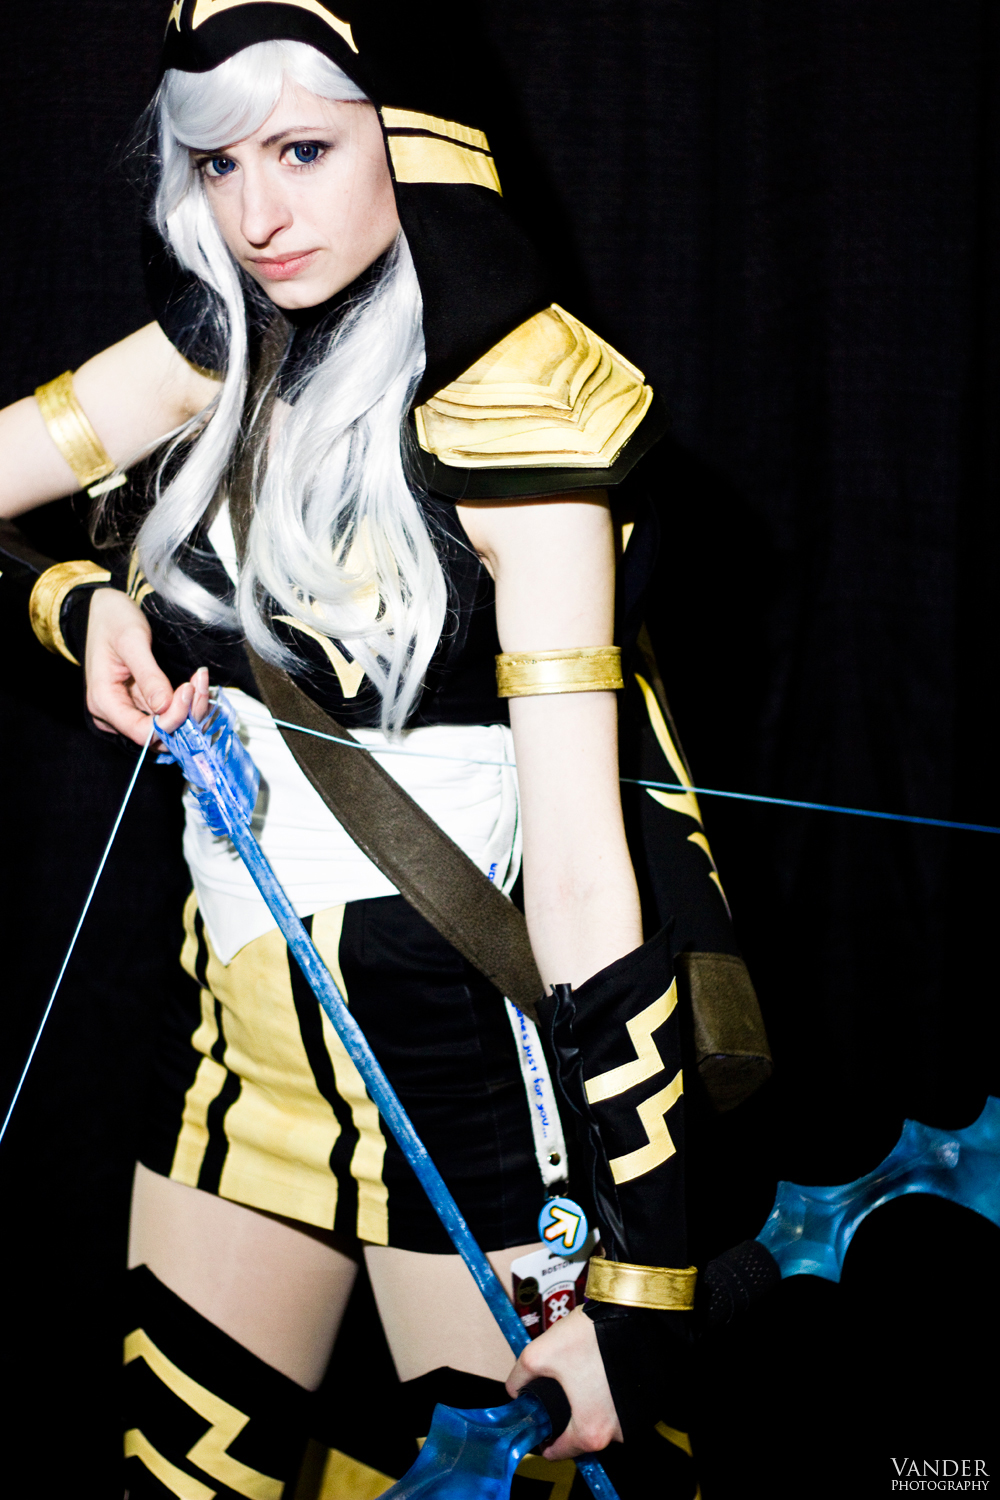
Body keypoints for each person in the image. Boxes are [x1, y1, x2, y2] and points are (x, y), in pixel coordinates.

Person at [0, 4, 768, 1494]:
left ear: (413, 143)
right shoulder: (208, 359)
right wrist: (75, 601)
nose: (257, 215)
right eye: (219, 164)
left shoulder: (527, 417)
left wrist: (639, 1279)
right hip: (232, 1080)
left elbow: (587, 880)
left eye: (302, 150)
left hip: (483, 1109)